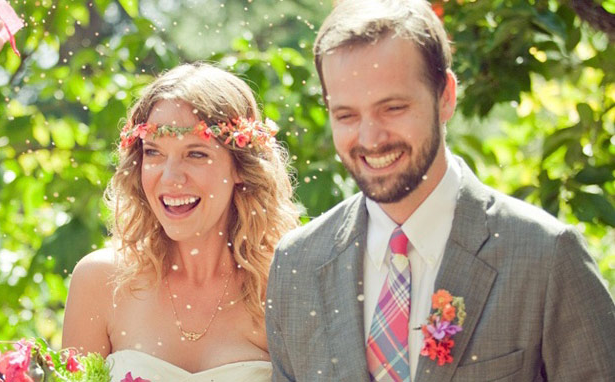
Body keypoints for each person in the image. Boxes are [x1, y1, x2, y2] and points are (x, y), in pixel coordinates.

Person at [265, 1, 615, 381]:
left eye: (393, 108)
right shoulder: (296, 265)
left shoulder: (546, 257)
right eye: (346, 115)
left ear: (445, 95)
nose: (370, 138)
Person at [62, 62, 300, 382]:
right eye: (154, 153)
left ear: (240, 167)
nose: (171, 178)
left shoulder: (287, 290)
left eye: (196, 154)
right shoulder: (100, 281)